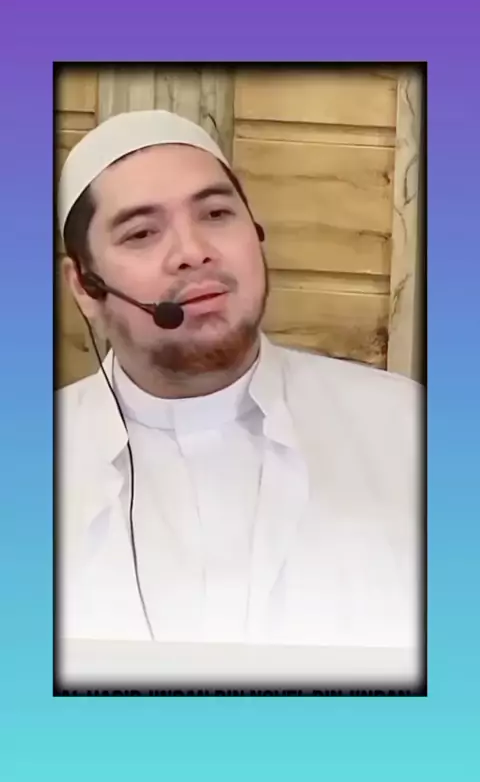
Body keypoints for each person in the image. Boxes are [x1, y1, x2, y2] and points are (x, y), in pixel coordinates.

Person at [57, 109, 422, 650]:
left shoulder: (408, 428)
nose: (192, 252)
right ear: (85, 287)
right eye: (142, 232)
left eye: (216, 214)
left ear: (255, 233)